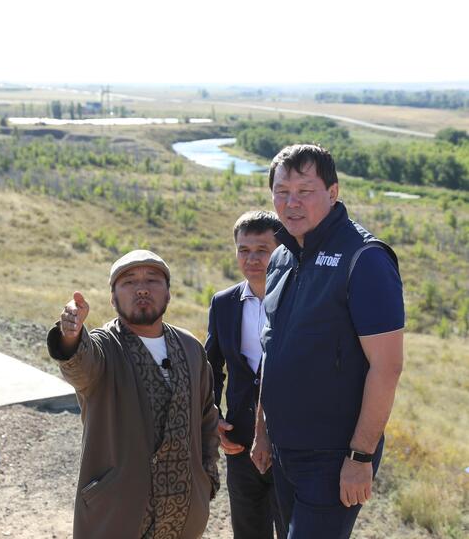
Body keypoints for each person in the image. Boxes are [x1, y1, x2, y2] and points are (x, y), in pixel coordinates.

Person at [250, 144, 404, 539]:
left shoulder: (365, 259)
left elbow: (387, 367)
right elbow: (272, 350)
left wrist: (360, 456)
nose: (292, 203)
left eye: (305, 191)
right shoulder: (282, 257)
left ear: (333, 193)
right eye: (282, 192)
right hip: (284, 449)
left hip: (333, 457)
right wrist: (262, 430)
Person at [47, 249, 220, 539]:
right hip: (118, 515)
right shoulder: (104, 347)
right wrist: (71, 336)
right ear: (113, 298)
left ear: (168, 293)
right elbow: (80, 367)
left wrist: (207, 477)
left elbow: (207, 416)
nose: (141, 288)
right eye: (129, 282)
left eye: (152, 280)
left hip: (184, 518)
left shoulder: (190, 348)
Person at [205, 211, 286, 539]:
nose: (252, 259)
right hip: (238, 441)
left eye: (262, 250)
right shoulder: (223, 303)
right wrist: (213, 415)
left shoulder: (299, 300)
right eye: (244, 250)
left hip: (289, 442)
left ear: (280, 252)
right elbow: (211, 365)